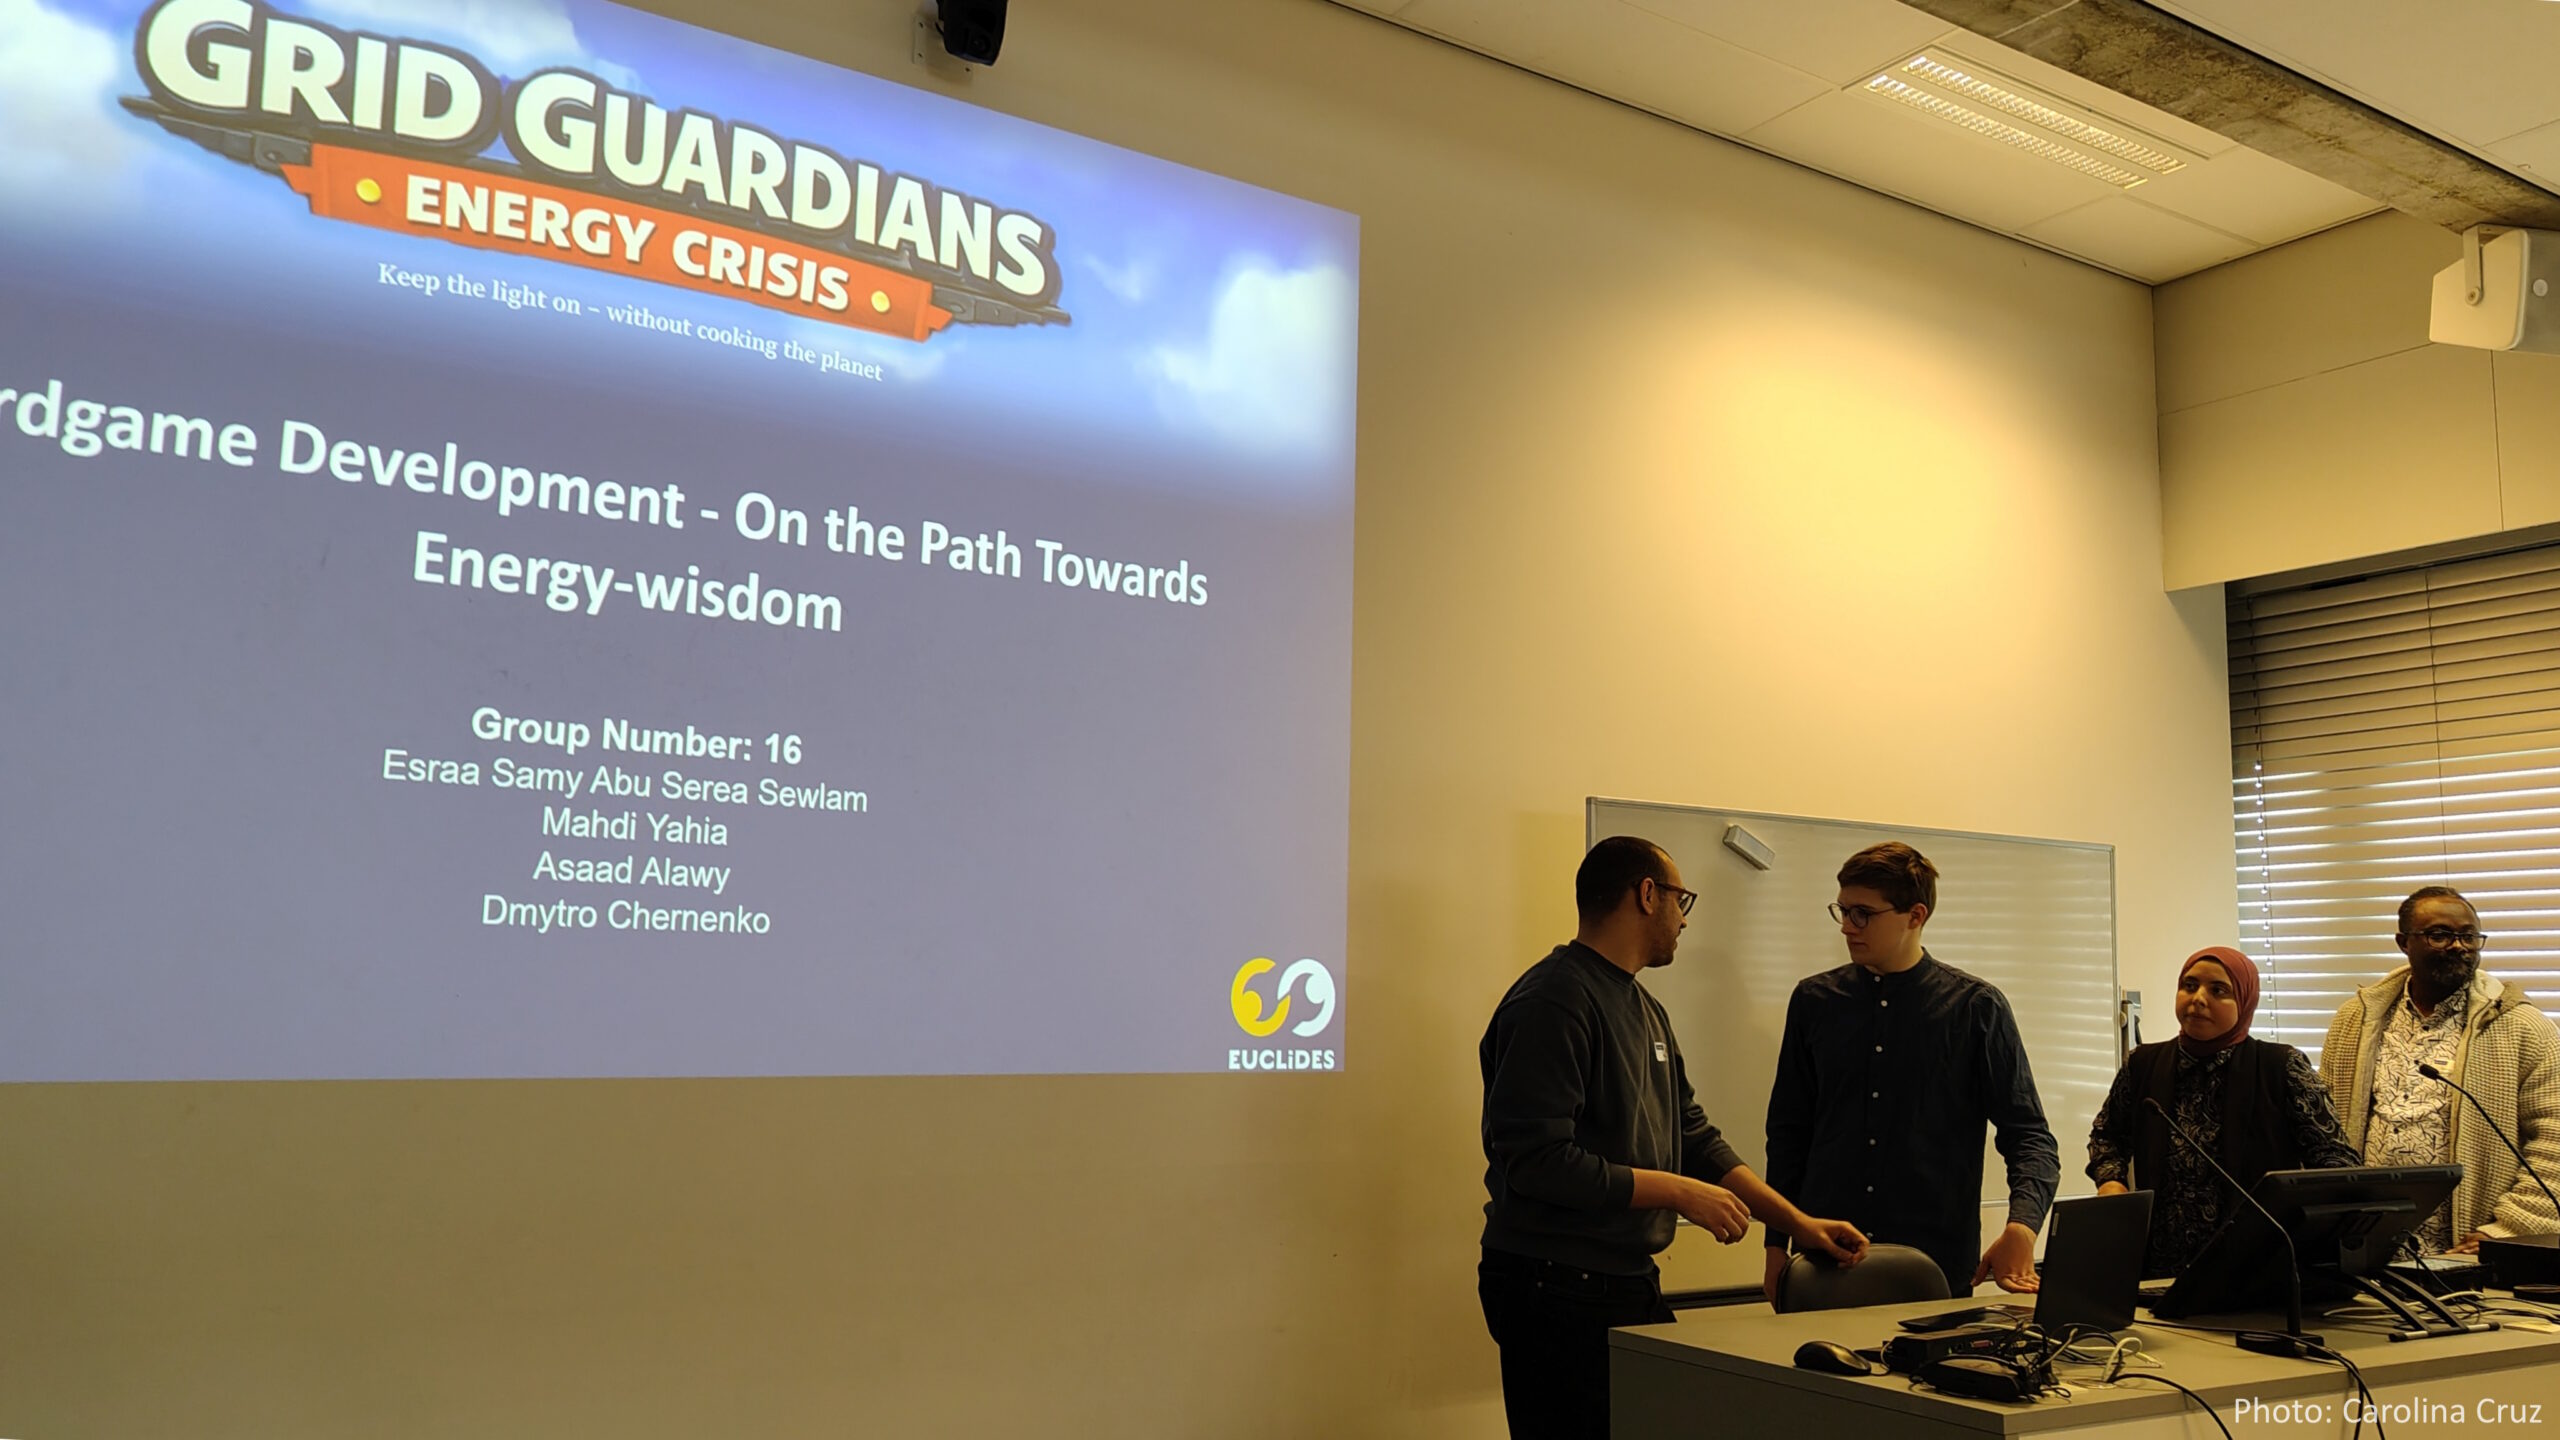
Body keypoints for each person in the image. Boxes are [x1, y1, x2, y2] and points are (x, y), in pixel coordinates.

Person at [1479, 836, 1867, 1440]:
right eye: (1680, 900)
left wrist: (1798, 1224)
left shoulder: (1643, 1005)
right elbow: (1539, 1161)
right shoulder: (1554, 1001)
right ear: (1646, 894)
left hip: (1623, 1283)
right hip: (1554, 1289)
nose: (1684, 920)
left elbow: (1693, 1134)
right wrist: (1680, 1193)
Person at [1763, 841, 2060, 1301]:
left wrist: (2022, 1226)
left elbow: (2030, 1137)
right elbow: (1788, 1133)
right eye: (1842, 910)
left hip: (1935, 1268)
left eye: (1863, 914)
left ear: (1915, 915)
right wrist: (1774, 1247)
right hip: (1825, 1264)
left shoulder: (1976, 1008)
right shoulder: (1813, 1002)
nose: (1847, 926)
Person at [2087, 946, 2357, 1277]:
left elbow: (2336, 1161)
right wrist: (2111, 1183)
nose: (2198, 999)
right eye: (2189, 986)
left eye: (2218, 991)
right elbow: (2107, 1135)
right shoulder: (2143, 1064)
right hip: (2161, 1269)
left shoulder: (2281, 1067)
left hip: (2259, 1267)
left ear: (2245, 1001)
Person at [2321, 886, 2560, 1252]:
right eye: (2440, 935)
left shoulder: (2522, 1027)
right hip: (2366, 1244)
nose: (2459, 946)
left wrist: (2508, 1230)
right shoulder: (2354, 1021)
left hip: (2469, 1248)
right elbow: (2326, 1130)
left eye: (2469, 936)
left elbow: (2555, 1140)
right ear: (2404, 942)